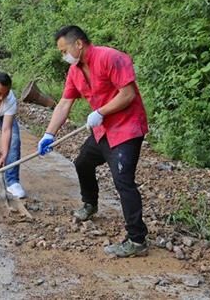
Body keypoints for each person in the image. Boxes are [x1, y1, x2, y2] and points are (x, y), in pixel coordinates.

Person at [37, 25, 149, 258]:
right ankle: (90, 204)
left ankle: (137, 240)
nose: (63, 55)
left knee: (123, 181)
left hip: (126, 129)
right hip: (103, 131)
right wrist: (49, 133)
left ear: (78, 44)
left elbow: (127, 94)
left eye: (63, 50)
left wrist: (101, 112)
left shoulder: (111, 57)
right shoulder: (75, 71)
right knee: (82, 163)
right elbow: (65, 103)